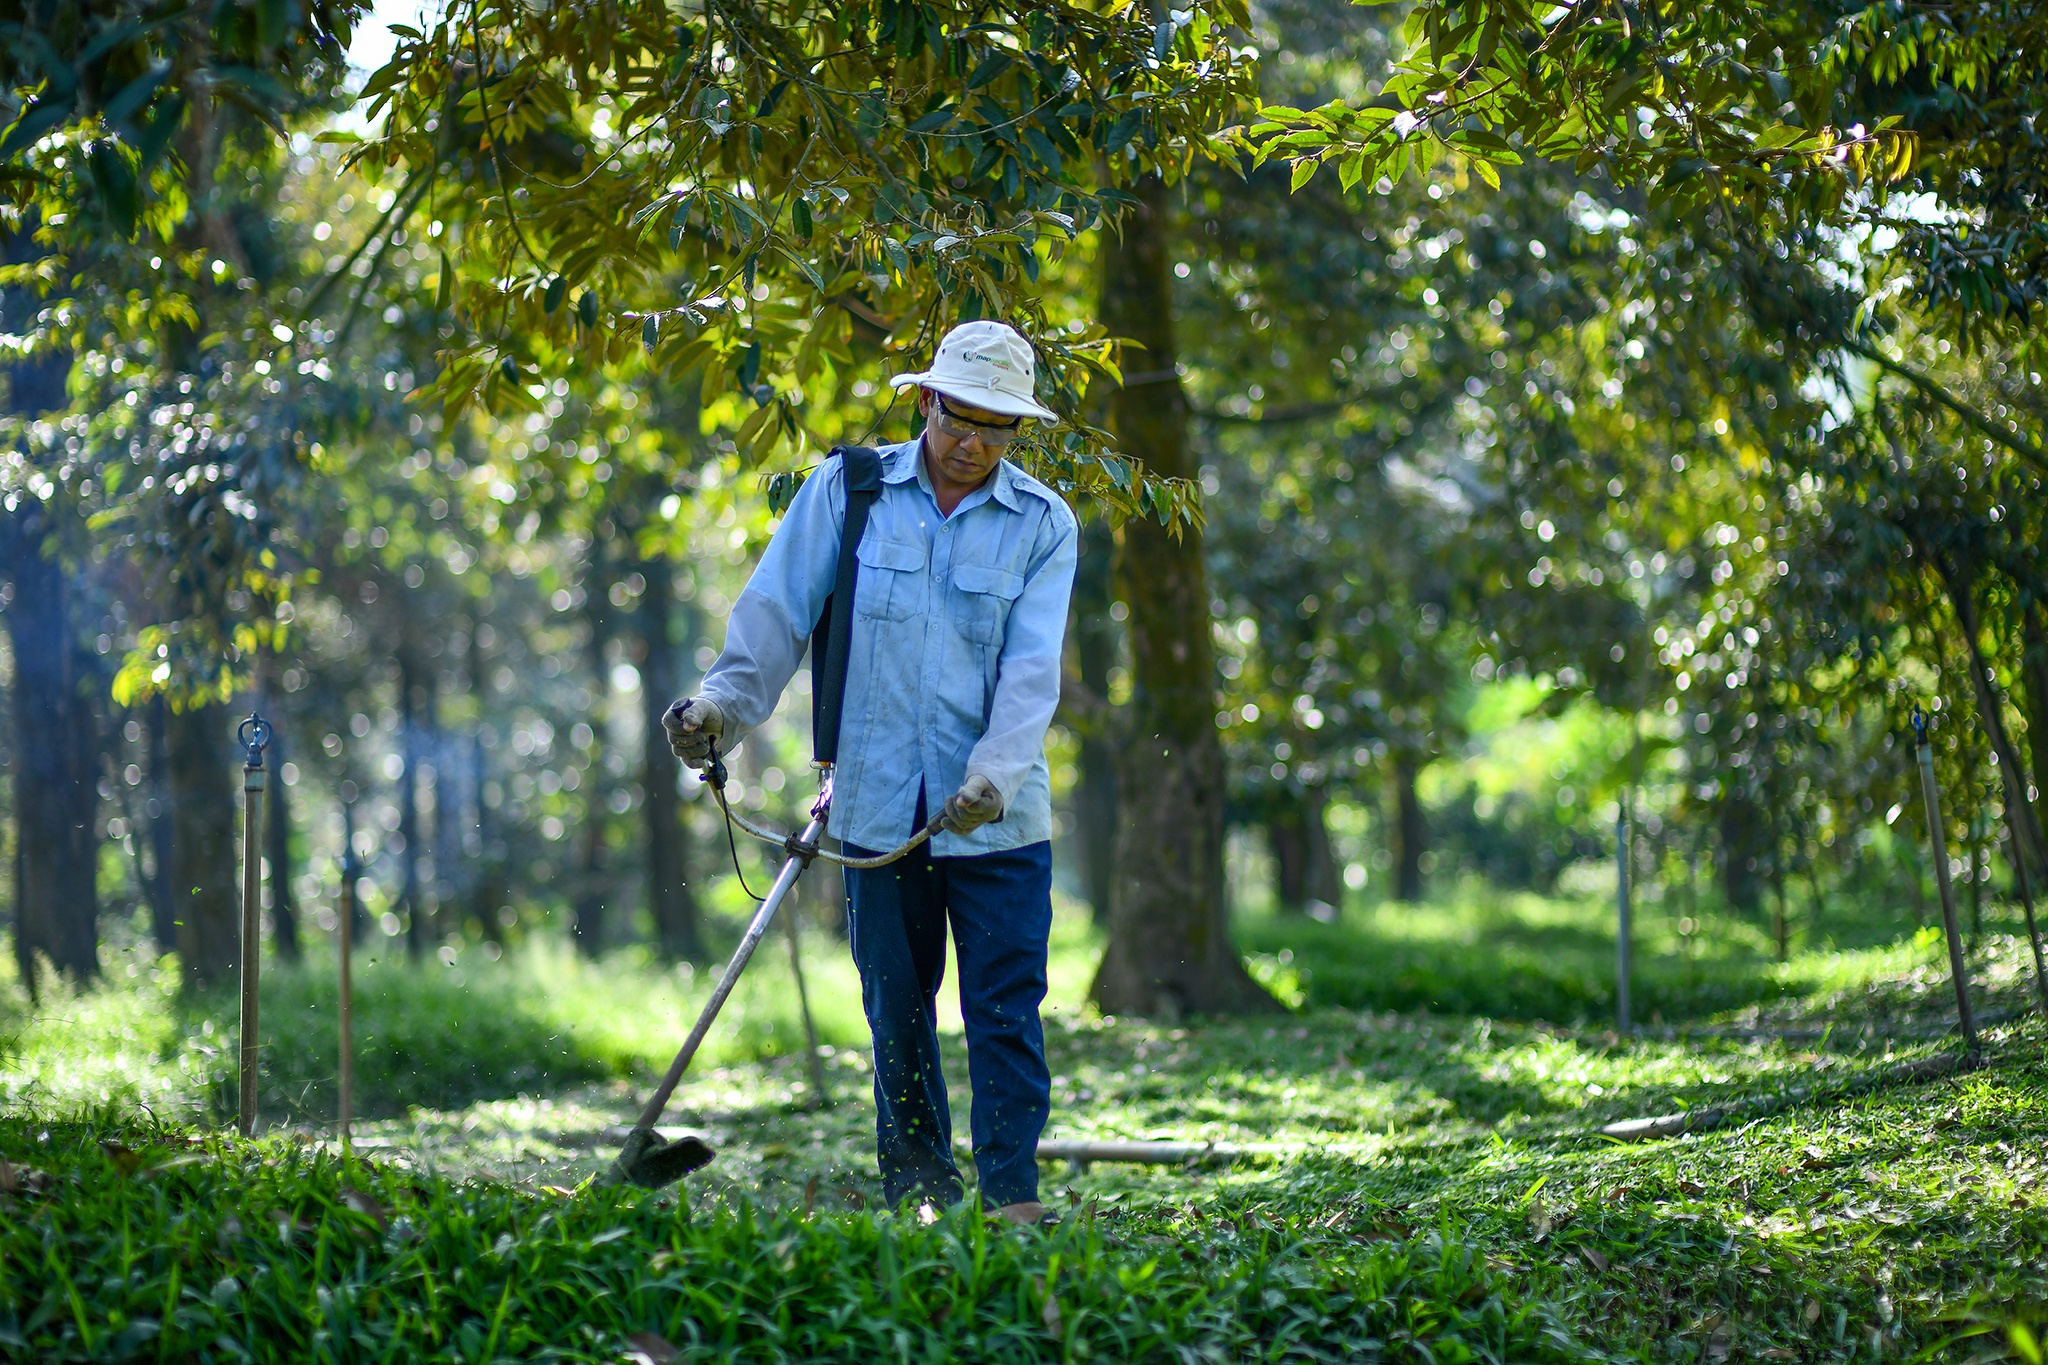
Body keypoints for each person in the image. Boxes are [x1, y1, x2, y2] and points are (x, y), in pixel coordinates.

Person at [663, 320, 1078, 1226]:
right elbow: (774, 612)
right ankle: (922, 1197)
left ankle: (1013, 1198)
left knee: (1006, 1011)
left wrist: (994, 775)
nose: (973, 443)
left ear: (1019, 432)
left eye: (997, 427)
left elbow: (1031, 670)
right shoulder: (847, 493)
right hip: (876, 812)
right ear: (926, 401)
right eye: (959, 418)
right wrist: (719, 711)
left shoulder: (1045, 523)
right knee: (898, 1010)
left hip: (999, 821)